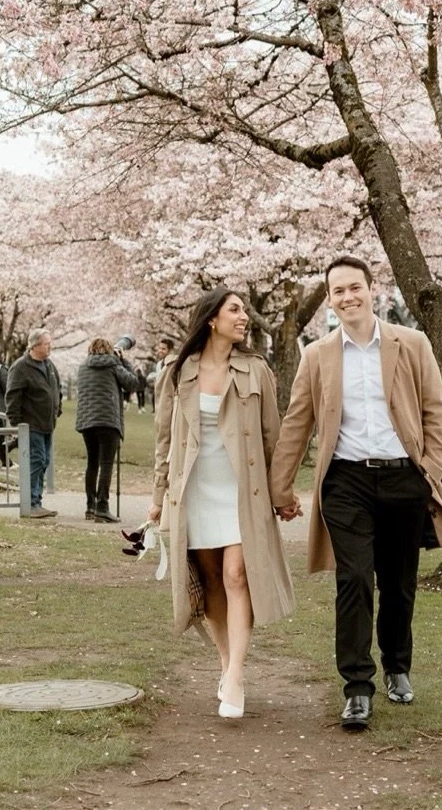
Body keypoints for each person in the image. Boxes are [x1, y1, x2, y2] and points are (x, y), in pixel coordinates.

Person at [271, 255, 442, 731]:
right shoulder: (317, 356)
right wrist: (281, 487)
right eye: (338, 292)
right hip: (346, 481)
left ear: (372, 290)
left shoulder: (412, 344)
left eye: (355, 287)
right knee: (353, 578)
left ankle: (398, 666)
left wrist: (432, 469)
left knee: (398, 583)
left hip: (404, 479)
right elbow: (297, 422)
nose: (348, 297)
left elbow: (437, 412)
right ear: (329, 301)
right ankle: (357, 687)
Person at [148, 287, 293, 721]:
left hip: (241, 489)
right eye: (235, 309)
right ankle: (226, 663)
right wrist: (158, 499)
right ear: (212, 318)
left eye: (244, 309)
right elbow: (164, 440)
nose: (244, 316)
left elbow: (274, 437)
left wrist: (281, 493)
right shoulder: (177, 371)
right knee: (210, 578)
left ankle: (236, 676)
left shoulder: (255, 370)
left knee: (237, 574)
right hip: (195, 488)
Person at [75, 338, 138, 522]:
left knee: (92, 464)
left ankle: (90, 506)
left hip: (87, 421)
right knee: (106, 464)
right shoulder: (113, 365)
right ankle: (103, 507)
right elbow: (132, 384)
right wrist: (123, 360)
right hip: (108, 421)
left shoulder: (83, 367)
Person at [5, 328, 62, 518]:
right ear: (35, 346)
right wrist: (16, 423)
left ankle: (36, 500)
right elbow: (13, 395)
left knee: (44, 461)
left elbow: (57, 389)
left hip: (47, 423)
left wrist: (57, 409)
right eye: (47, 344)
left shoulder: (49, 365)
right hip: (31, 423)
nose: (50, 347)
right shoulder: (21, 367)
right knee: (37, 460)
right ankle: (31, 503)